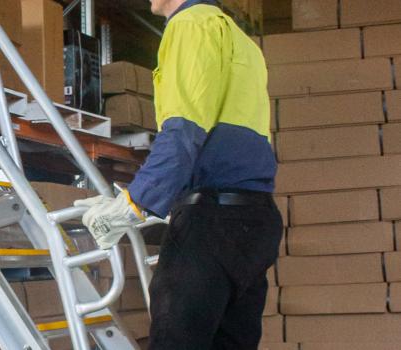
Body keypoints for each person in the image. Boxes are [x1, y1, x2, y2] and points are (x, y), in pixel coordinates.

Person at [75, 0, 283, 348]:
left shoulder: (190, 24)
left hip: (211, 223)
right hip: (255, 221)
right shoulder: (241, 41)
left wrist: (132, 204)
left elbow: (183, 132)